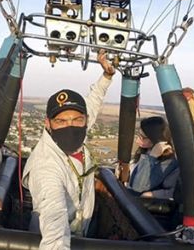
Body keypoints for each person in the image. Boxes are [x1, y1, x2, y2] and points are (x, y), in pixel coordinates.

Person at [22, 50, 115, 249]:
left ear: (85, 121)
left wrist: (106, 77)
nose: (69, 126)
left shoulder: (78, 130)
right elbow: (54, 215)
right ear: (48, 123)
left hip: (82, 228)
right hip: (54, 238)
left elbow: (93, 102)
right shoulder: (46, 165)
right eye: (61, 120)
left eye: (77, 119)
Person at [127, 116, 179, 199]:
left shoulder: (169, 162)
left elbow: (138, 187)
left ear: (155, 139)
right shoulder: (146, 151)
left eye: (142, 137)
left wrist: (151, 158)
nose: (137, 140)